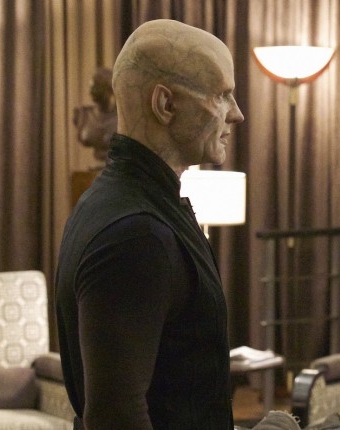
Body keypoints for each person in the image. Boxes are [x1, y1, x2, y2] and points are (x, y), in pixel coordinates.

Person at [56, 19, 244, 429]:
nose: (237, 114)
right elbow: (115, 416)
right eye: (222, 95)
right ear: (165, 104)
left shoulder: (117, 203)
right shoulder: (137, 233)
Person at [73, 67, 117, 166]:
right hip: (93, 169)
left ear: (110, 89)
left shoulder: (123, 117)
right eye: (91, 87)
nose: (91, 91)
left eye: (97, 87)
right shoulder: (82, 115)